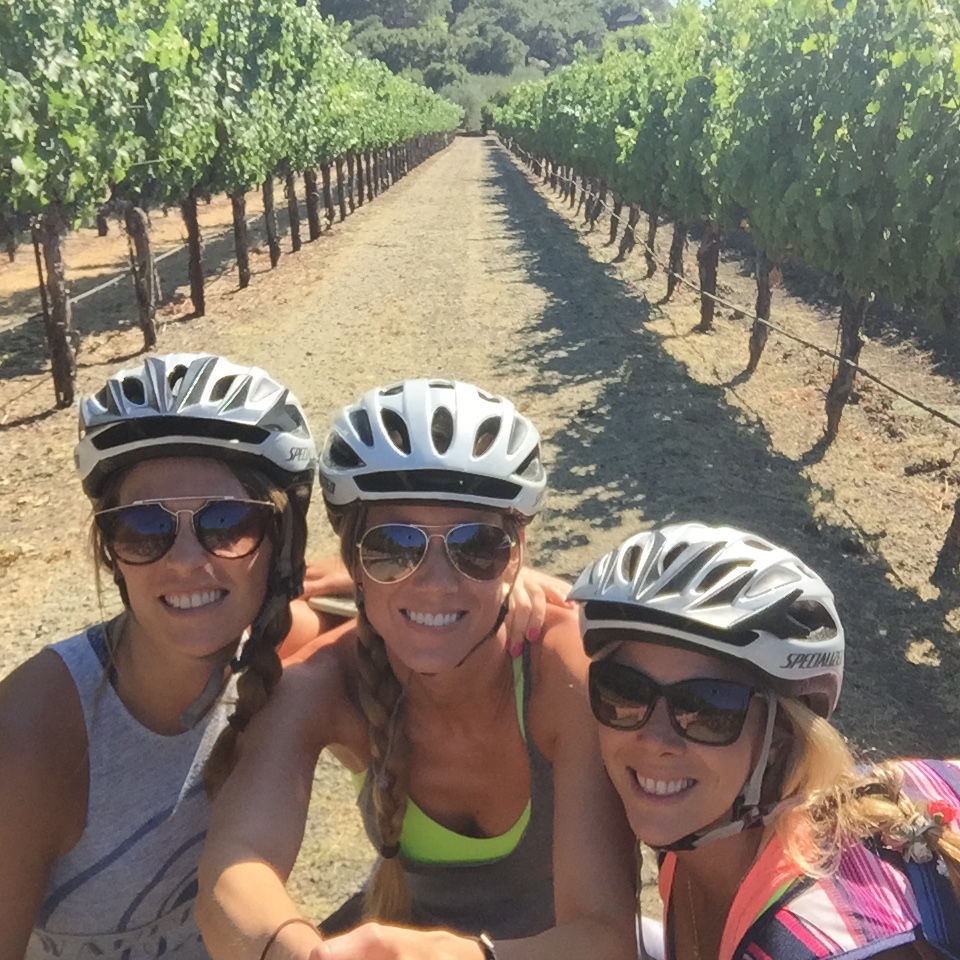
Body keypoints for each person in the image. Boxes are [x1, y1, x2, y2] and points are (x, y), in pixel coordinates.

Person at [196, 378, 637, 960]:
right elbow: (234, 868)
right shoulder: (326, 682)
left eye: (476, 545)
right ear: (354, 560)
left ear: (517, 554)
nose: (435, 582)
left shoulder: (564, 674)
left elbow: (605, 936)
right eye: (395, 546)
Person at [0, 353, 319, 959]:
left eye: (226, 522)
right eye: (143, 528)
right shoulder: (30, 735)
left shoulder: (285, 647)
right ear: (111, 552)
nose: (185, 561)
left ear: (281, 544)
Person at [568, 521, 960, 960]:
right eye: (625, 692)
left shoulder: (806, 943)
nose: (654, 740)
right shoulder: (699, 832)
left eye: (707, 709)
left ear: (780, 735)